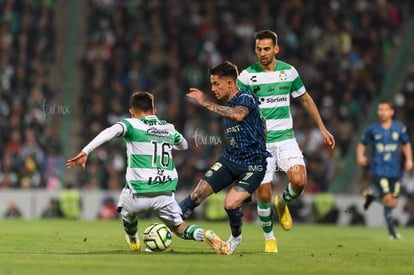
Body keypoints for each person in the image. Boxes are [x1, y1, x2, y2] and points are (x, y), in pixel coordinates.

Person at [66, 92, 229, 254]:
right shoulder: (168, 128)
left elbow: (110, 132)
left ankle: (133, 239)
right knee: (180, 229)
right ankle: (204, 234)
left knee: (127, 213)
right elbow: (184, 145)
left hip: (139, 193)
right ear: (154, 111)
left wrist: (86, 151)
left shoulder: (131, 124)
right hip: (165, 192)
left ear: (131, 112)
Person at [237, 30, 335, 252]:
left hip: (285, 138)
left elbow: (306, 99)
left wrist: (322, 127)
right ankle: (269, 238)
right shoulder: (245, 77)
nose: (262, 53)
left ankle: (282, 201)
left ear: (276, 49)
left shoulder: (289, 72)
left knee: (299, 181)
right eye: (258, 49)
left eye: (266, 49)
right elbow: (238, 109)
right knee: (262, 192)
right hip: (259, 144)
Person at [179, 61, 271, 254]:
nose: (212, 88)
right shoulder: (227, 104)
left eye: (216, 83)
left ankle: (236, 236)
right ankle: (168, 228)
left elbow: (238, 116)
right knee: (195, 196)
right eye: (211, 84)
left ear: (230, 83)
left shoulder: (245, 97)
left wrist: (205, 102)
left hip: (253, 165)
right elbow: (261, 125)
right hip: (230, 159)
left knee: (229, 204)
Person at [357, 100, 412, 239]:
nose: (382, 112)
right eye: (380, 109)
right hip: (379, 170)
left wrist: (409, 160)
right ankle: (392, 233)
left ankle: (373, 196)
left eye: (385, 109)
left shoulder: (399, 128)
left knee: (393, 202)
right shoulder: (372, 129)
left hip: (395, 171)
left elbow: (406, 144)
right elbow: (361, 144)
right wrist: (360, 156)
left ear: (392, 112)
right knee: (387, 198)